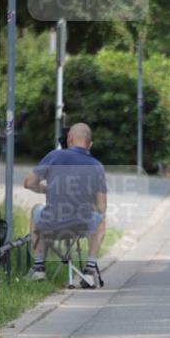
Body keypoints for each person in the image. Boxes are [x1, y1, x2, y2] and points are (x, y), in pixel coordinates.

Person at [23, 123, 107, 288]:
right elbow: (102, 207)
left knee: (35, 210)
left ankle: (39, 266)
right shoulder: (97, 166)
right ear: (90, 144)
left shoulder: (54, 156)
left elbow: (29, 183)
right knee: (101, 220)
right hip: (81, 226)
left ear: (69, 139)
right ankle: (89, 271)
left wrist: (46, 189)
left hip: (51, 224)